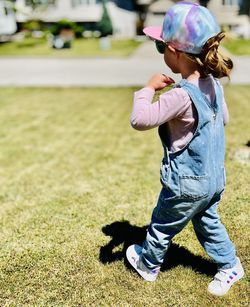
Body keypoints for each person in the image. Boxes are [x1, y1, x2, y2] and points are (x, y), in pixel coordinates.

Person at [126, 1, 244, 297]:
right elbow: (224, 119)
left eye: (160, 47)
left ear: (175, 53)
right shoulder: (213, 85)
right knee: (207, 222)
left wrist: (148, 89)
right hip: (214, 178)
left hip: (187, 183)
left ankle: (148, 263)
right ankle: (230, 264)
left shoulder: (181, 95)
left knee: (163, 223)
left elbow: (140, 120)